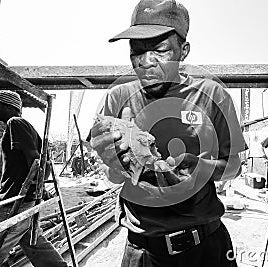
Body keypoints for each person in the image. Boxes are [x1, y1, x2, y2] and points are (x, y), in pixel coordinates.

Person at [88, 0, 246, 266]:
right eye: (136, 51)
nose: (146, 62)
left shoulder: (212, 95)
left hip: (205, 249)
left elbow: (234, 167)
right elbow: (111, 177)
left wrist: (200, 167)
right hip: (142, 252)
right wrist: (116, 165)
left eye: (160, 50)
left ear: (183, 51)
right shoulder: (118, 98)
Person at [0, 90, 68, 267]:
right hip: (24, 199)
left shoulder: (15, 123)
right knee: (33, 242)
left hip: (14, 201)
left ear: (8, 106)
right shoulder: (22, 125)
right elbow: (39, 161)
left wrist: (35, 190)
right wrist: (38, 190)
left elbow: (35, 160)